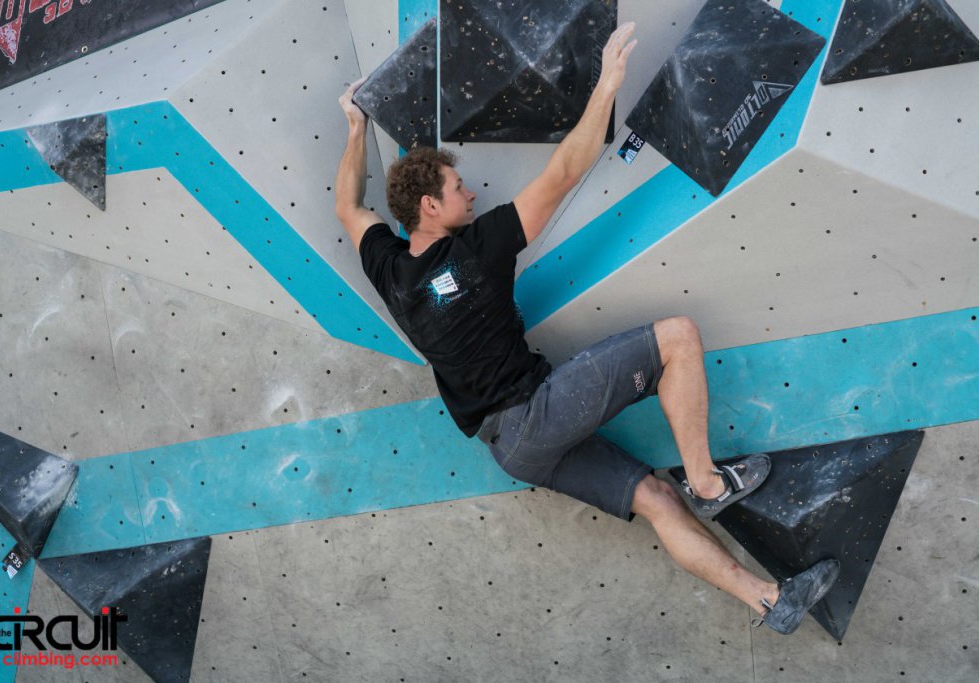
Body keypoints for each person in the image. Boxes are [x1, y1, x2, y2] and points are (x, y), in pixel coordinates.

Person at [335, 22, 838, 635]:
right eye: (457, 188)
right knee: (676, 337)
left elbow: (348, 207)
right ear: (431, 208)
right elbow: (564, 172)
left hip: (511, 451)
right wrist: (606, 85)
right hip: (533, 415)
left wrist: (356, 128)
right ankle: (708, 482)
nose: (469, 191)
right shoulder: (477, 249)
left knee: (654, 498)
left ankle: (771, 602)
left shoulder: (389, 269)